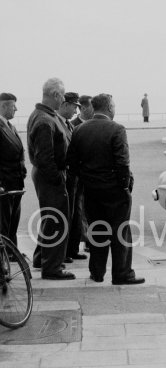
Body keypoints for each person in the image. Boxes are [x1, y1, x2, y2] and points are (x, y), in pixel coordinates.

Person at [67, 93, 144, 285]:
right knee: (120, 232)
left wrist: (86, 181)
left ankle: (97, 272)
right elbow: (122, 163)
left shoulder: (79, 130)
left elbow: (72, 163)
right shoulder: (117, 129)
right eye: (114, 105)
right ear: (109, 108)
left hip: (91, 190)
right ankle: (122, 274)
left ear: (94, 108)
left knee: (97, 231)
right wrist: (125, 186)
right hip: (115, 190)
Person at [27, 77, 75, 280]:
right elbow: (44, 158)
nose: (63, 99)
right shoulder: (45, 120)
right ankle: (52, 268)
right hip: (50, 175)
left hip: (47, 174)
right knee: (57, 220)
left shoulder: (43, 115)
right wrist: (58, 179)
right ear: (55, 95)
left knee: (50, 218)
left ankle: (41, 258)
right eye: (62, 95)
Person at [57, 92, 88, 263]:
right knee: (64, 216)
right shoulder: (58, 123)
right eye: (74, 107)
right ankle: (63, 253)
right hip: (65, 176)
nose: (76, 111)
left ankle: (71, 250)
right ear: (65, 105)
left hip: (74, 177)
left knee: (75, 214)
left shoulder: (68, 125)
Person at [0, 93, 26, 251]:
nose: (16, 109)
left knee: (12, 221)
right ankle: (4, 255)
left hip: (15, 182)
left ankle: (11, 252)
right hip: (4, 184)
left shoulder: (10, 126)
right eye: (12, 105)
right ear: (3, 106)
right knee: (3, 222)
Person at [70, 95, 94, 253]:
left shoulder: (95, 124)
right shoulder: (72, 125)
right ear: (83, 108)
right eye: (92, 107)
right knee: (79, 210)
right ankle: (80, 241)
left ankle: (90, 241)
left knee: (92, 209)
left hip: (93, 175)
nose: (95, 110)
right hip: (79, 174)